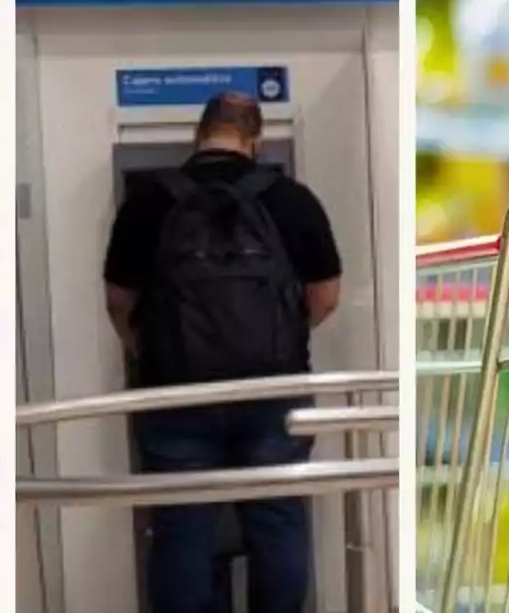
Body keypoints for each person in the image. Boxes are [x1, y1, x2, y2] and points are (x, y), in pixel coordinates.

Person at [103, 91, 342, 613]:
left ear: (200, 134)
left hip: (175, 396)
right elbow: (325, 296)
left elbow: (119, 301)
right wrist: (276, 342)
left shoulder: (148, 203)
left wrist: (150, 354)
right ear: (254, 140)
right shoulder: (292, 200)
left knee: (181, 527)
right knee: (277, 519)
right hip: (273, 392)